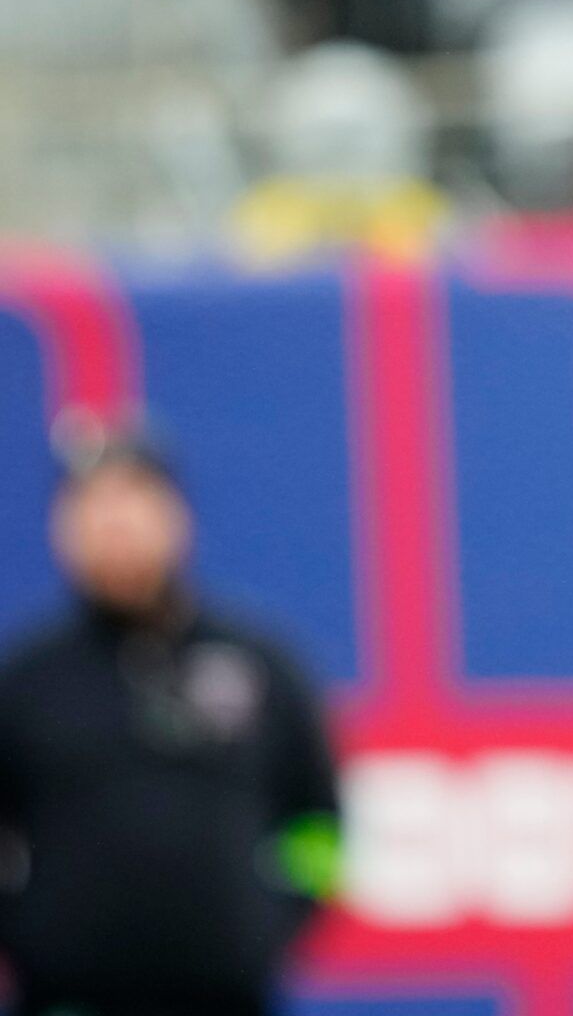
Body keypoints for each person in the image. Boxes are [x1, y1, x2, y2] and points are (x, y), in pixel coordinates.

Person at [0, 424, 341, 1016]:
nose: (115, 521)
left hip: (226, 996)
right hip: (67, 998)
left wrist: (274, 923)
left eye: (134, 495)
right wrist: (30, 935)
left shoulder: (258, 663)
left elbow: (321, 821)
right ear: (63, 526)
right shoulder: (26, 681)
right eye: (91, 501)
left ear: (176, 514)